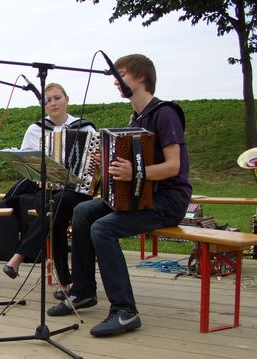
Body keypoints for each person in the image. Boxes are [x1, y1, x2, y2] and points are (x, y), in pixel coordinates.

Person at [47, 54, 192, 337]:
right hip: (141, 194)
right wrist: (106, 164)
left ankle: (125, 311)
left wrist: (135, 172)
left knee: (103, 228)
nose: (115, 80)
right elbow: (131, 165)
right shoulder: (137, 117)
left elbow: (173, 166)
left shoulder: (165, 113)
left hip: (167, 200)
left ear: (141, 77)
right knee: (83, 211)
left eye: (121, 74)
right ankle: (83, 291)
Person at [2, 83, 96, 302]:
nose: (53, 103)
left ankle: (19, 256)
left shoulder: (85, 128)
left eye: (57, 98)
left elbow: (94, 167)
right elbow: (26, 166)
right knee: (54, 209)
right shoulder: (35, 130)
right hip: (44, 188)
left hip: (77, 191)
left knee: (55, 205)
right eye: (48, 100)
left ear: (66, 99)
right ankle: (65, 283)